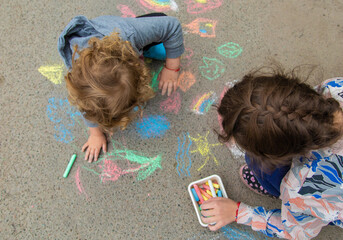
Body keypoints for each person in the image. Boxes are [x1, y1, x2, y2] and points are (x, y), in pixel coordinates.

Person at [201, 67, 343, 239]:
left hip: (330, 197)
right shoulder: (334, 87)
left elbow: (296, 232)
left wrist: (238, 212)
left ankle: (303, 204)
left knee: (262, 168)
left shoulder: (301, 187)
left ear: (277, 155)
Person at [57, 14, 184, 162]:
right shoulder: (80, 77)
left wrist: (172, 68)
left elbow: (172, 26)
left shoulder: (132, 34)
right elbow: (86, 106)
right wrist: (95, 134)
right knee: (164, 49)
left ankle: (147, 40)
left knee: (166, 47)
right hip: (118, 43)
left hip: (126, 31)